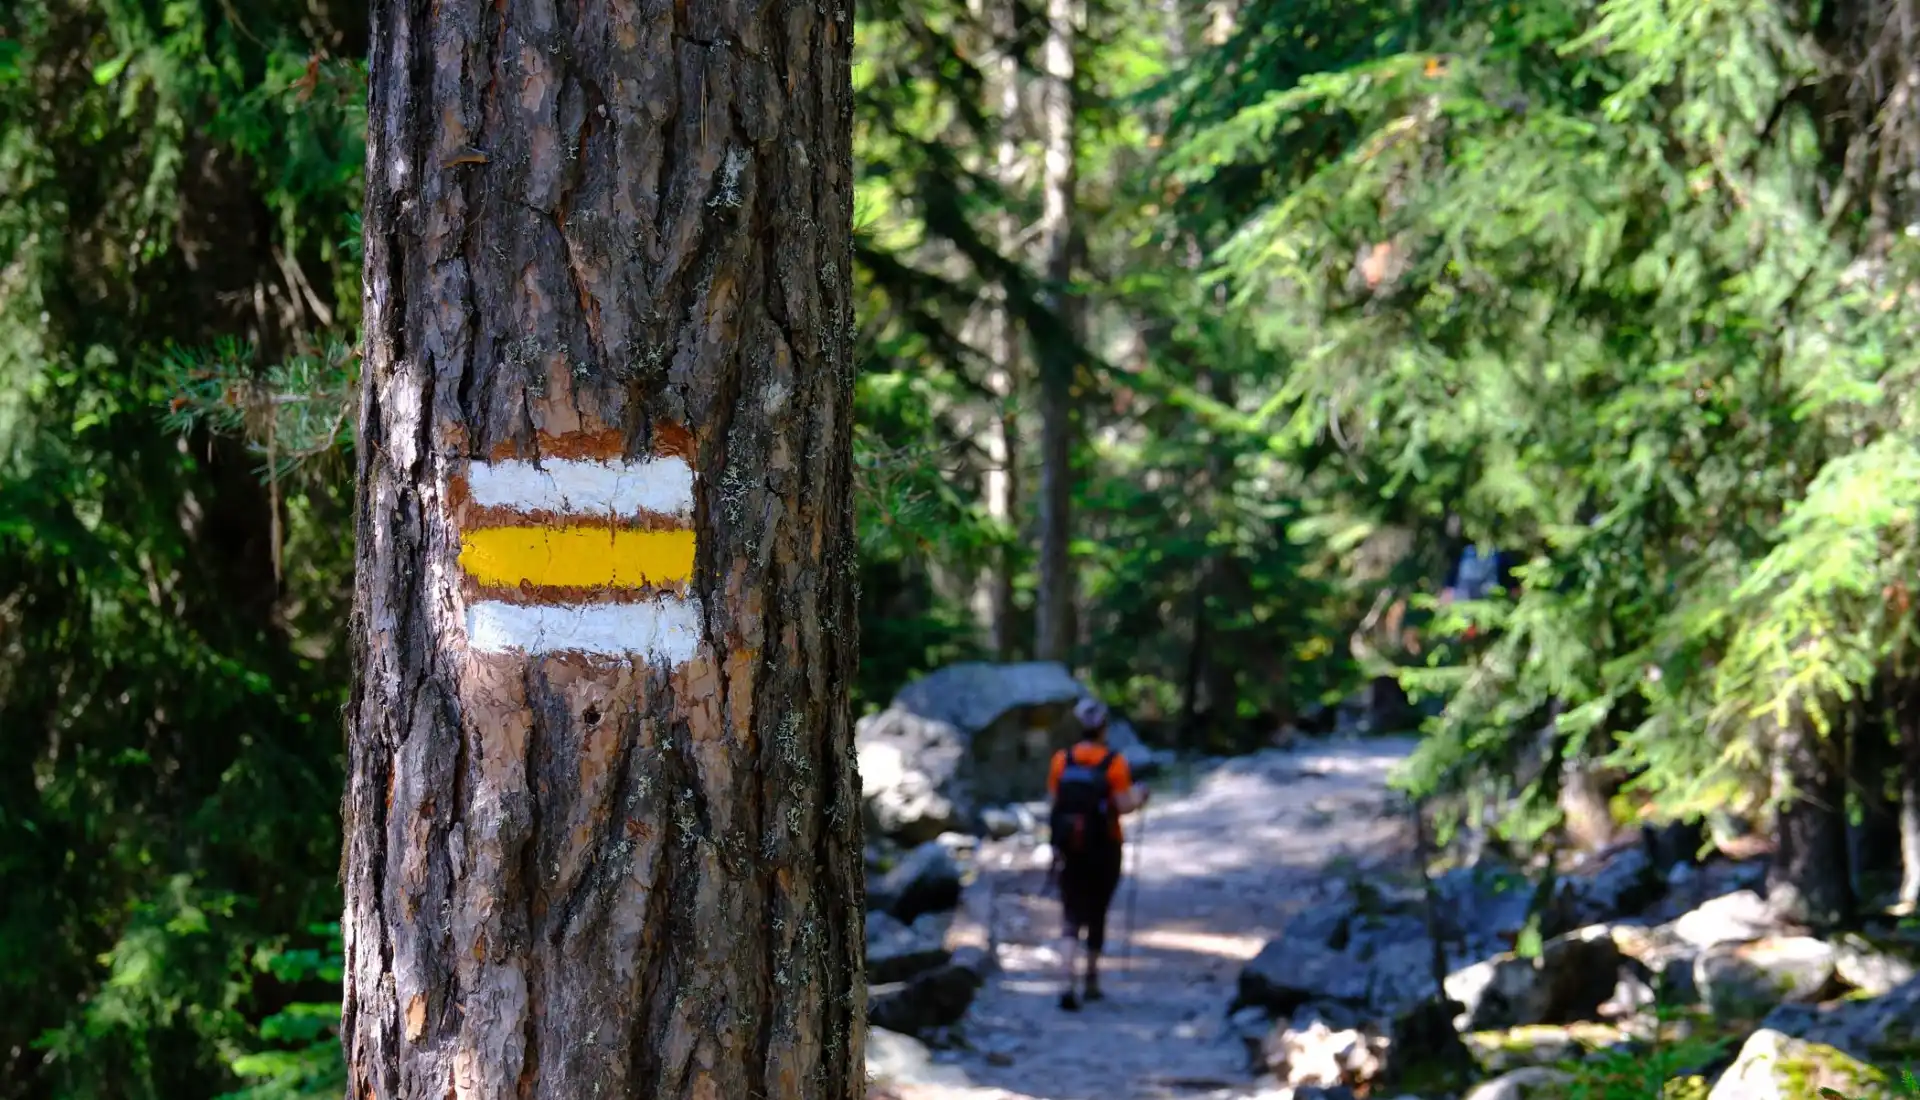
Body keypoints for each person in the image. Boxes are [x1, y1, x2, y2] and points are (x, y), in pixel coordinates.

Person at [1047, 697, 1150, 1011]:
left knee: (1069, 915)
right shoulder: (1115, 763)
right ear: (1104, 727)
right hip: (1105, 847)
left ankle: (1066, 981)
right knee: (1097, 911)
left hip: (1069, 849)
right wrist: (1141, 796)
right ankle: (1091, 979)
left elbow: (1053, 803)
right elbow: (1123, 805)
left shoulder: (1061, 761)